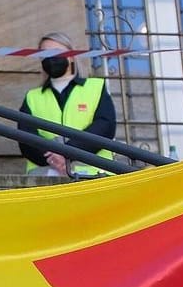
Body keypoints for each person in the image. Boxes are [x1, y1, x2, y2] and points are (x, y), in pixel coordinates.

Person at [18, 31, 115, 178]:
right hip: (46, 178)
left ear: (71, 56)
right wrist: (54, 157)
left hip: (93, 175)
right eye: (45, 55)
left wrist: (68, 152)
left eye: (55, 52)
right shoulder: (33, 97)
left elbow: (104, 126)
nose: (51, 58)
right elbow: (26, 136)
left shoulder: (95, 88)